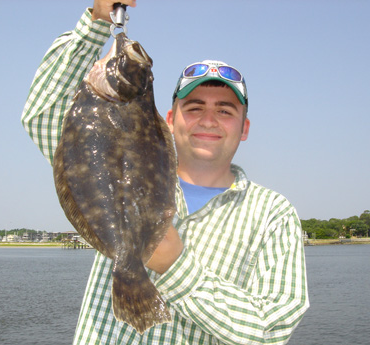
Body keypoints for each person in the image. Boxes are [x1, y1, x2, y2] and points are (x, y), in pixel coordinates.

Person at [21, 1, 309, 344]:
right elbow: (42, 113)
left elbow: (270, 331)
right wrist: (98, 21)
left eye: (225, 110)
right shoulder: (105, 145)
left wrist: (176, 267)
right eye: (194, 107)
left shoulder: (273, 215)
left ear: (244, 128)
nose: (208, 119)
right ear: (169, 120)